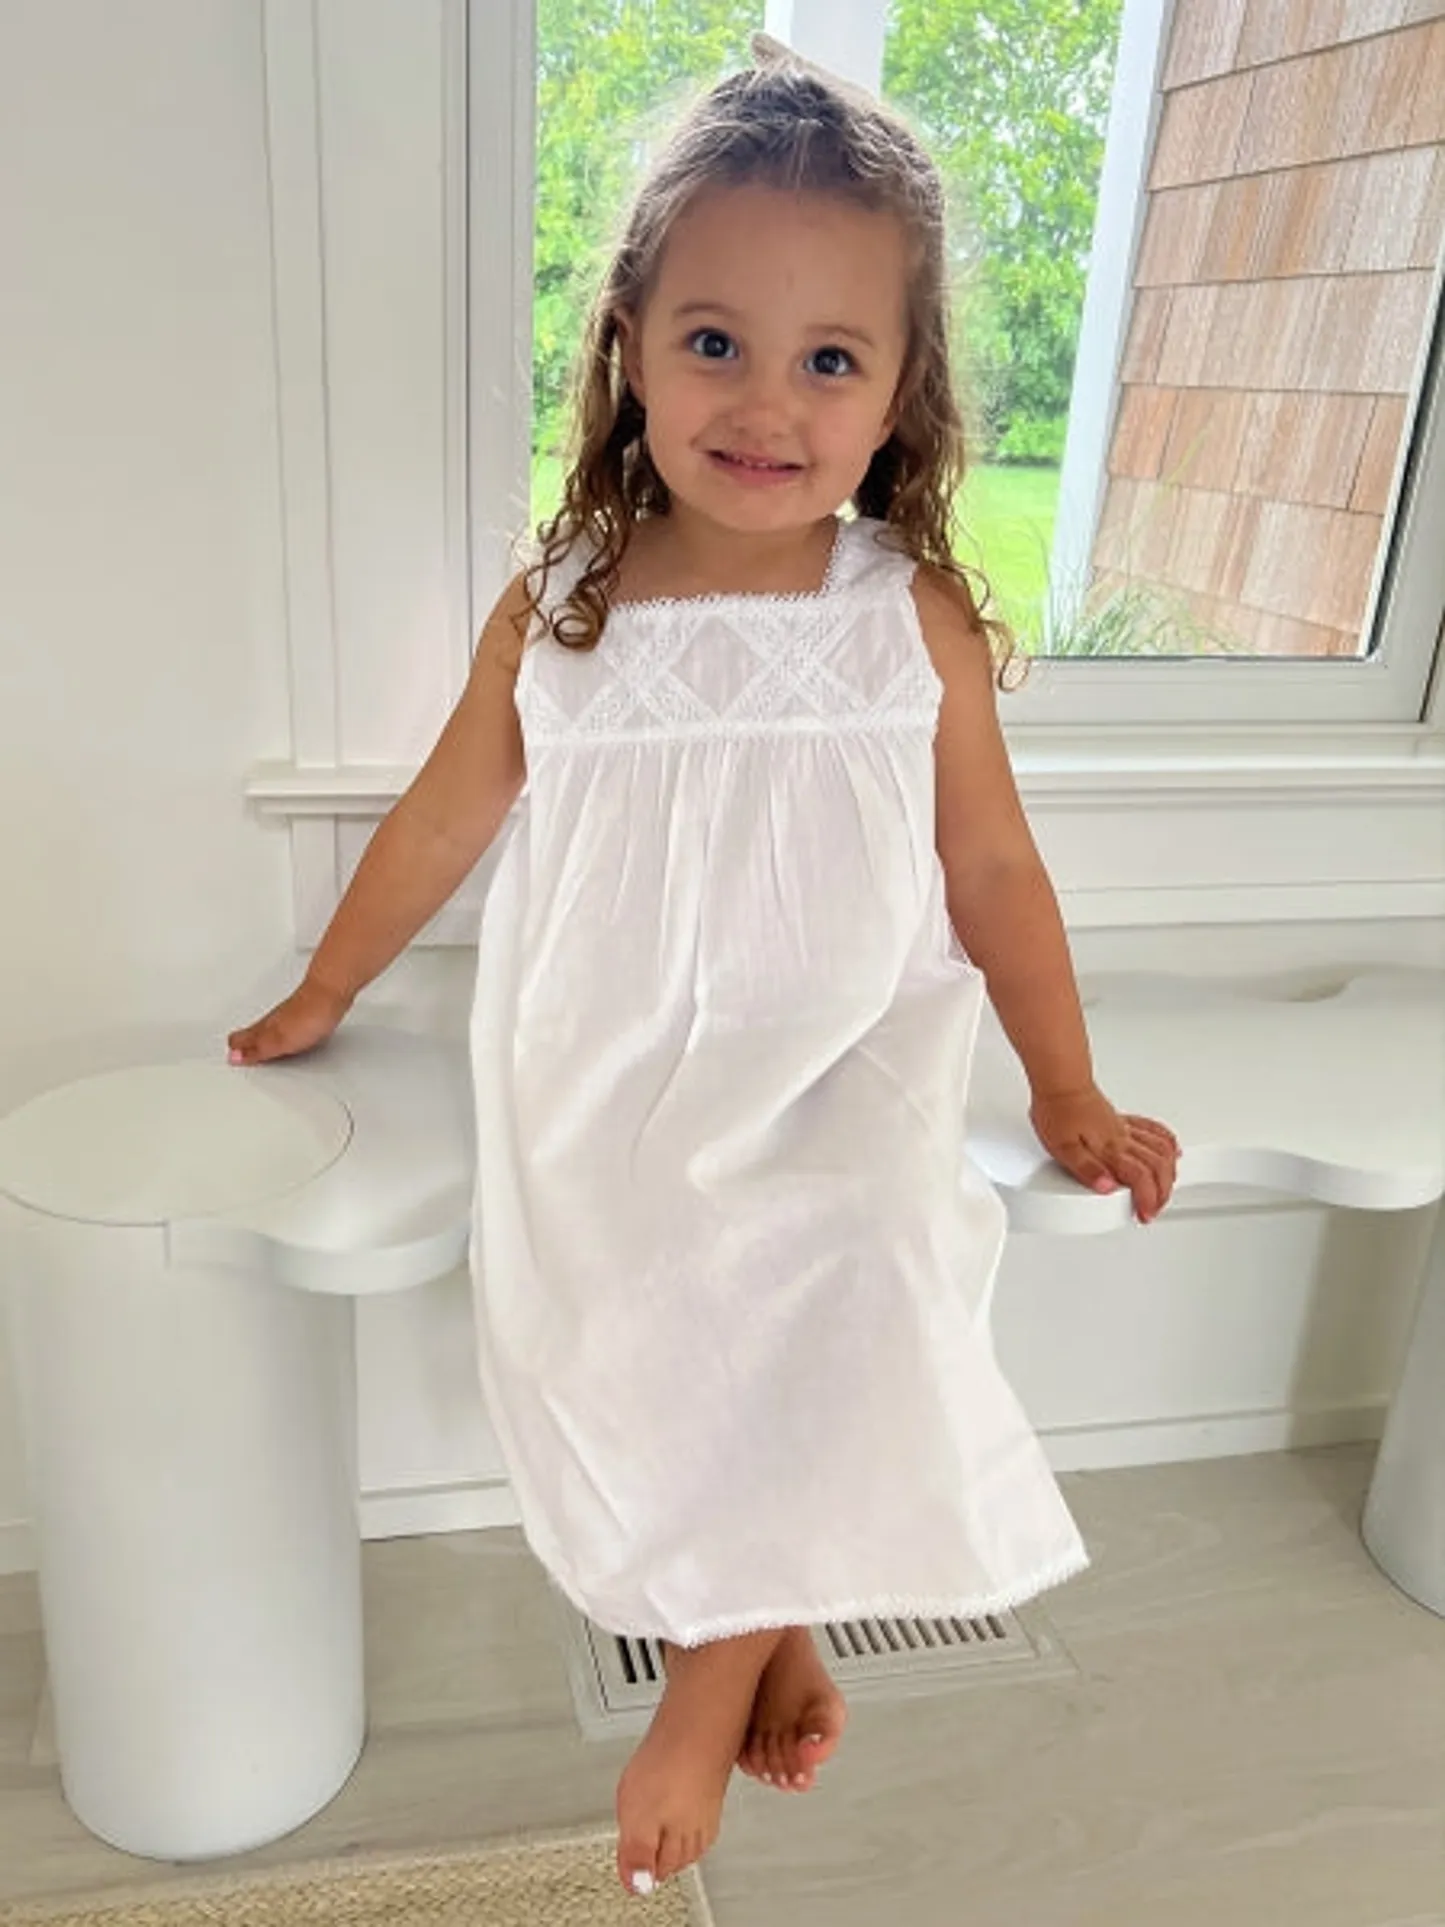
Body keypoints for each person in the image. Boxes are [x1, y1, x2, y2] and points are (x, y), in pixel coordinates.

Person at [229, 36, 1179, 1900]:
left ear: (900, 392)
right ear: (632, 350)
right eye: (718, 342)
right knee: (640, 1306)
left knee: (862, 1250)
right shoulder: (567, 604)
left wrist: (1066, 1084)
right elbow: (441, 819)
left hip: (844, 1052)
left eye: (831, 359)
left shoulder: (905, 617)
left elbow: (992, 867)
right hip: (611, 1057)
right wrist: (325, 988)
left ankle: (706, 1676)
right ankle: (776, 1612)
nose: (767, 401)